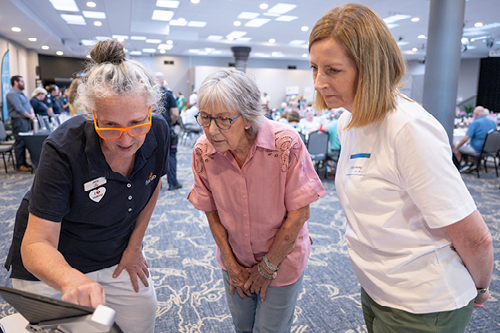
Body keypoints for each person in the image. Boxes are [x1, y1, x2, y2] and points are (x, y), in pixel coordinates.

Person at [309, 4, 493, 333]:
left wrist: (478, 287)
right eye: (314, 68)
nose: (319, 82)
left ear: (370, 68)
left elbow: (475, 237)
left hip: (423, 300)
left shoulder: (408, 128)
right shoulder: (349, 120)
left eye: (333, 70)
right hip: (379, 287)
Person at [5, 39, 169, 333]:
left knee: (142, 321)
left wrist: (134, 247)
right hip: (53, 265)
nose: (126, 139)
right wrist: (71, 279)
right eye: (110, 126)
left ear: (149, 111)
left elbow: (152, 185)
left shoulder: (158, 130)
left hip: (113, 255)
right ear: (91, 115)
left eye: (136, 123)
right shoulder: (64, 148)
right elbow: (36, 245)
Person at [188, 68, 325, 333]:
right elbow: (212, 214)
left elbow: (299, 214)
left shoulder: (285, 144)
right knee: (243, 327)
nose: (212, 130)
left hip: (282, 260)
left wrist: (267, 268)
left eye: (224, 120)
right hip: (235, 259)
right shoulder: (203, 152)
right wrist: (231, 263)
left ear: (249, 118)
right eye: (205, 117)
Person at [155, 72, 182, 191]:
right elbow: (175, 113)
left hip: (148, 130)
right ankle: (172, 183)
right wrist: (169, 123)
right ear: (162, 82)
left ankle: (155, 185)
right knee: (171, 154)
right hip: (165, 129)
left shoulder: (146, 94)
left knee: (153, 156)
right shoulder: (168, 94)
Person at [453, 105, 497, 172]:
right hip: (490, 149)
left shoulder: (475, 123)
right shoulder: (493, 122)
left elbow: (466, 138)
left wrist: (456, 148)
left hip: (477, 149)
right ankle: (472, 163)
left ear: (476, 114)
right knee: (470, 143)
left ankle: (463, 164)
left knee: (455, 145)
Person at [6, 75, 36, 172]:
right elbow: (19, 109)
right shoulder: (11, 94)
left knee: (25, 142)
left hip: (26, 120)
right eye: (21, 81)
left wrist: (32, 114)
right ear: (15, 82)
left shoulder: (22, 94)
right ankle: (19, 165)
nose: (23, 83)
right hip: (19, 121)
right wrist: (29, 116)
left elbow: (29, 105)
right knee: (20, 143)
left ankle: (24, 162)